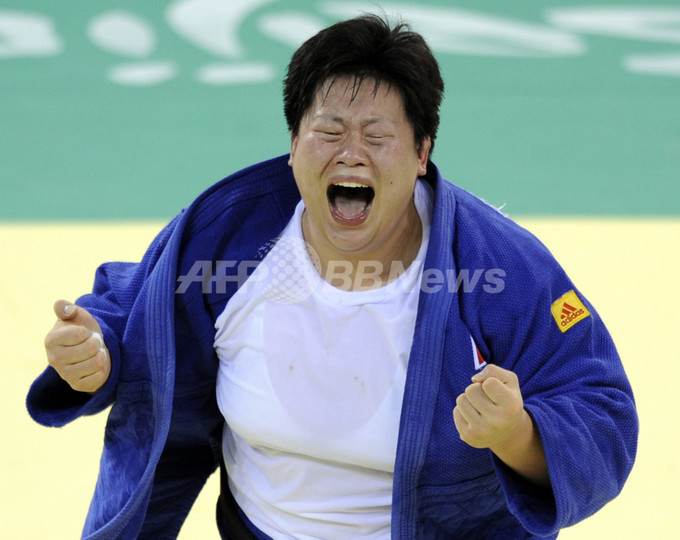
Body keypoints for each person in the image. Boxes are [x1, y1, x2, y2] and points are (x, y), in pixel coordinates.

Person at [29, 14, 638, 540]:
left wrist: (517, 435)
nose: (351, 153)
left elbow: (602, 412)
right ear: (294, 143)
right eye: (329, 131)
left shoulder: (499, 268)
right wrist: (97, 350)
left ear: (422, 153)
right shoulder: (225, 239)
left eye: (378, 136)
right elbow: (138, 307)